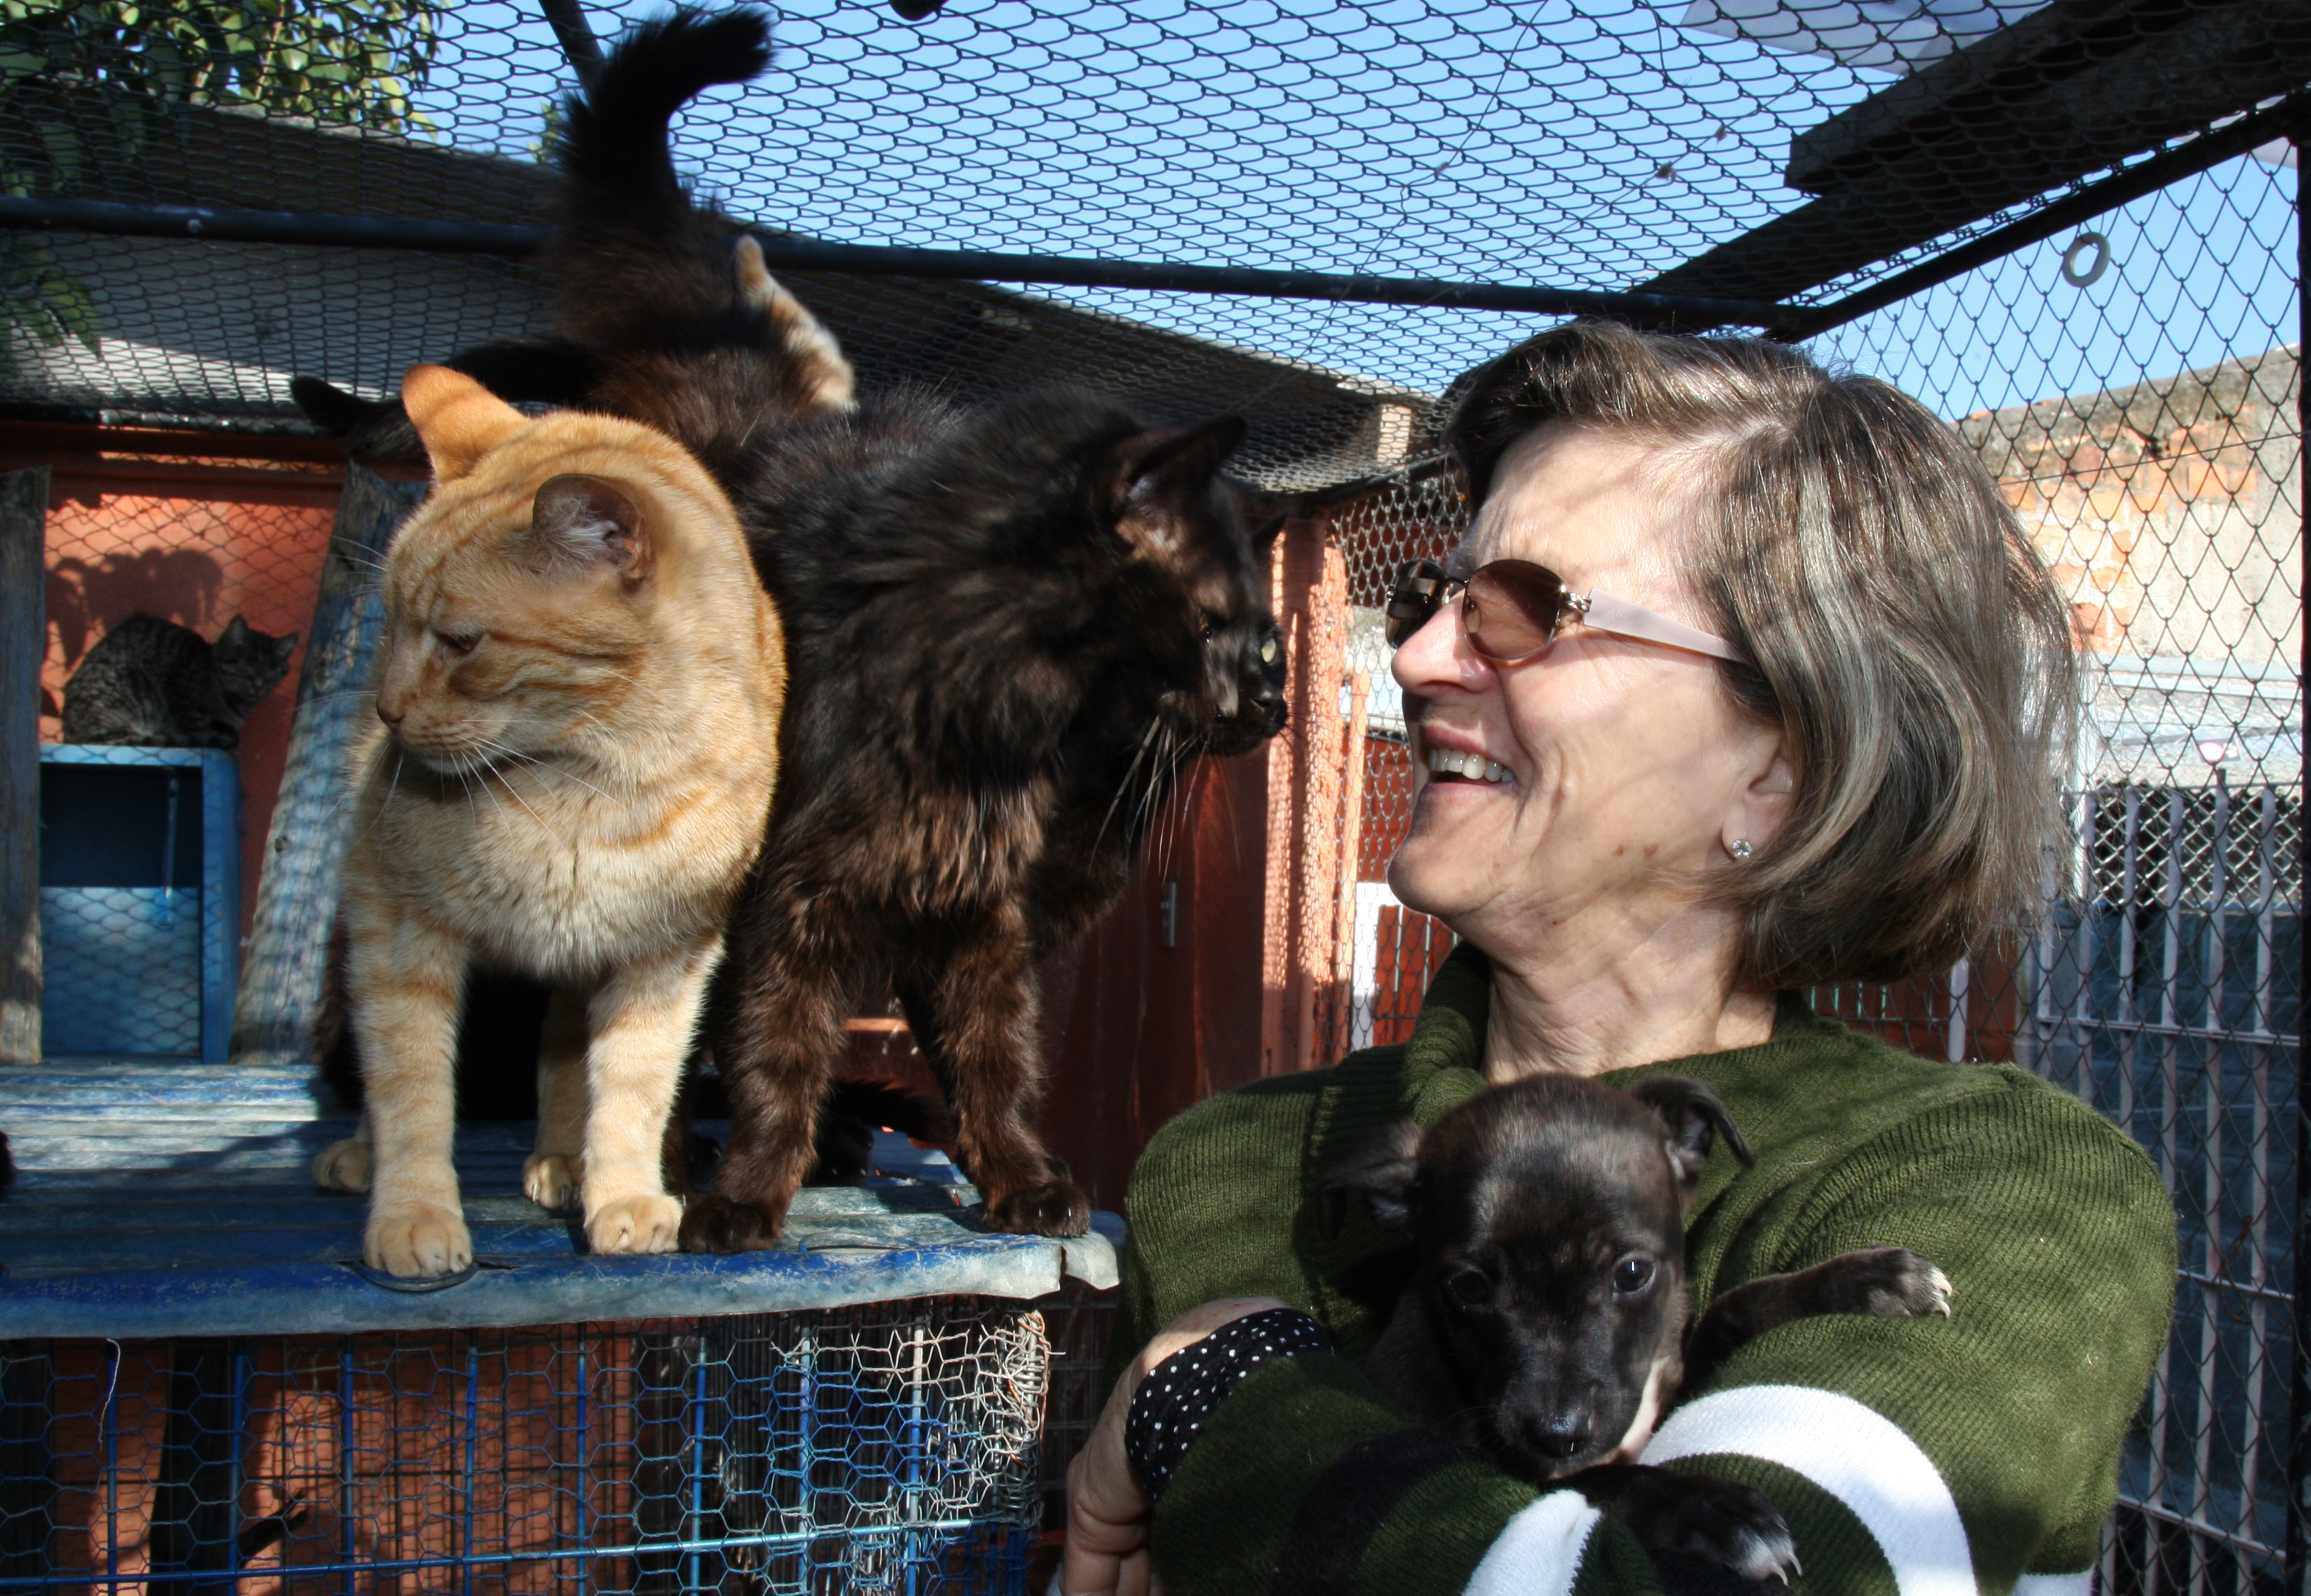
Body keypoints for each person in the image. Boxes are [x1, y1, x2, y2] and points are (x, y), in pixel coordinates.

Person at [1062, 322, 2176, 1596]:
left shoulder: (2012, 1186)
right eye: (1433, 597)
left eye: (1524, 609)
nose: (1418, 657)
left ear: (1777, 759)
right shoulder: (1230, 1165)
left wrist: (1215, 1387)